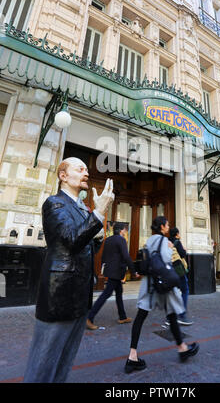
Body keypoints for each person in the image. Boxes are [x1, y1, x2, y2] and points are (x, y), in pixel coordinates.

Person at [23, 158, 115, 383]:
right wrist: (99, 213)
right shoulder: (54, 203)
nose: (85, 173)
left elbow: (89, 247)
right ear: (63, 176)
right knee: (44, 365)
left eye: (86, 169)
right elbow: (72, 240)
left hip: (80, 298)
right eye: (79, 169)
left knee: (64, 362)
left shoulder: (82, 208)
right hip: (59, 297)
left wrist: (98, 228)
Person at [124, 216, 199, 374]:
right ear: (163, 227)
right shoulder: (165, 242)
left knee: (140, 318)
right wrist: (171, 247)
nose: (168, 227)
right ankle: (182, 348)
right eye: (167, 225)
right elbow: (166, 263)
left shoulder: (148, 241)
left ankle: (132, 355)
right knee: (172, 315)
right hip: (163, 286)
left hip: (148, 287)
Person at [86, 222, 140, 329]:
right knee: (106, 294)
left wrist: (104, 268)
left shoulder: (108, 239)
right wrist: (133, 271)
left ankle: (122, 316)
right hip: (116, 272)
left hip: (111, 271)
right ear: (121, 230)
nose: (125, 232)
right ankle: (89, 317)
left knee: (119, 292)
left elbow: (104, 256)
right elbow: (126, 256)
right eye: (125, 230)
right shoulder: (121, 240)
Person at [169, 227, 193, 325]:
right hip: (178, 269)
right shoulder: (177, 242)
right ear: (177, 234)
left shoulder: (167, 241)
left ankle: (169, 317)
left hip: (169, 269)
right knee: (185, 289)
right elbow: (182, 254)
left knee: (172, 292)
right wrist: (184, 250)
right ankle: (182, 314)